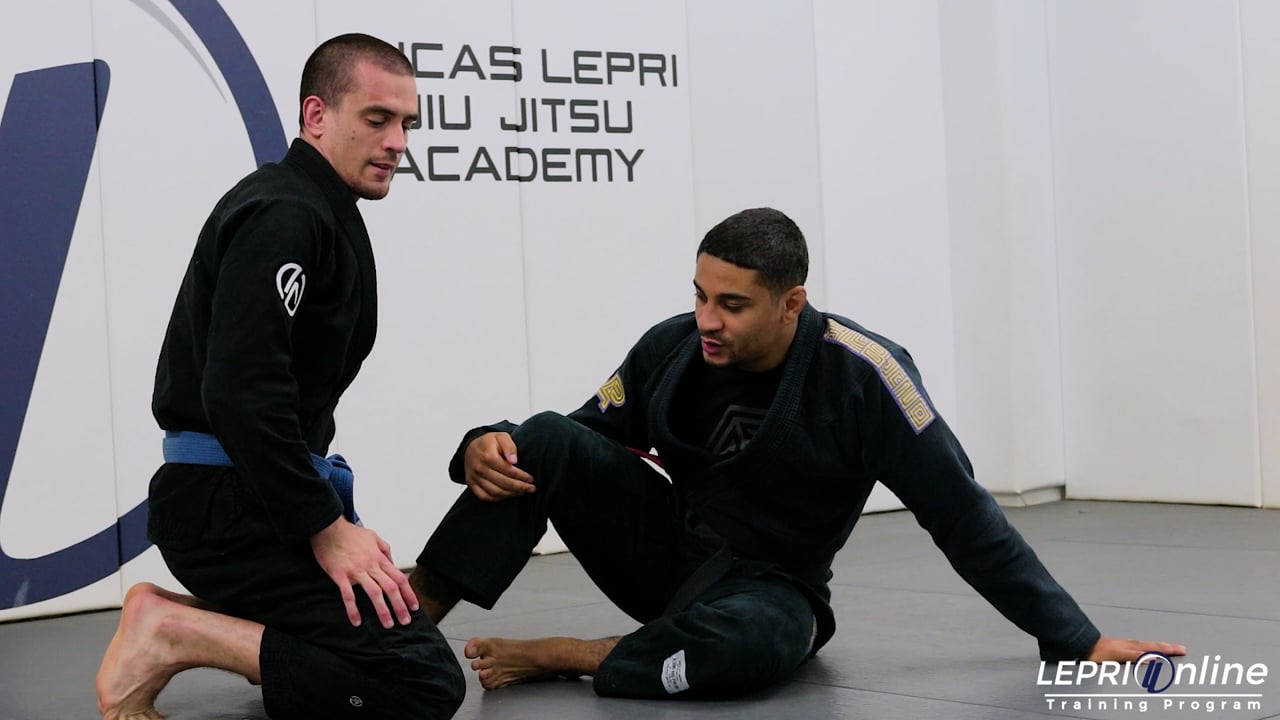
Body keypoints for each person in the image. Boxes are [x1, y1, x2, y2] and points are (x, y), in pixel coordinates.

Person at [410, 207, 1185, 699]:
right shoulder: (671, 348)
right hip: (670, 558)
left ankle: (573, 655)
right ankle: (406, 628)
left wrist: (1074, 637)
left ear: (791, 303)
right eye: (700, 295)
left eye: (732, 304)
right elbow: (578, 439)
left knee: (757, 647)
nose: (707, 319)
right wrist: (483, 443)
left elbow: (963, 515)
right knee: (539, 434)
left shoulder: (867, 377)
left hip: (773, 592)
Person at [95, 34, 464, 720]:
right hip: (223, 509)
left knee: (390, 642)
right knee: (422, 685)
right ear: (316, 115)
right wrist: (325, 527)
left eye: (406, 123)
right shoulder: (286, 213)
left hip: (252, 496)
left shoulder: (319, 208)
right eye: (377, 119)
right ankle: (172, 632)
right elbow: (241, 392)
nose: (397, 142)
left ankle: (175, 615)